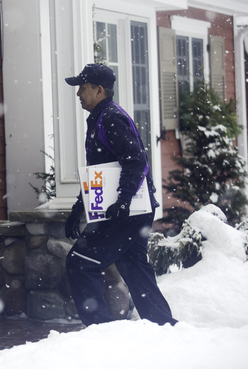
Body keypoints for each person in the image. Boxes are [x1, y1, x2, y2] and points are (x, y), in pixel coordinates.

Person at [64, 63, 177, 326]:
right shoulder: (101, 118)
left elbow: (136, 161)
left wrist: (123, 201)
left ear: (98, 90)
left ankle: (101, 331)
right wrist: (79, 208)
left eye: (82, 88)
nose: (78, 93)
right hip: (134, 210)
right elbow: (99, 173)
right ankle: (164, 328)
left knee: (80, 263)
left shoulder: (111, 118)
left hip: (129, 210)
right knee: (135, 269)